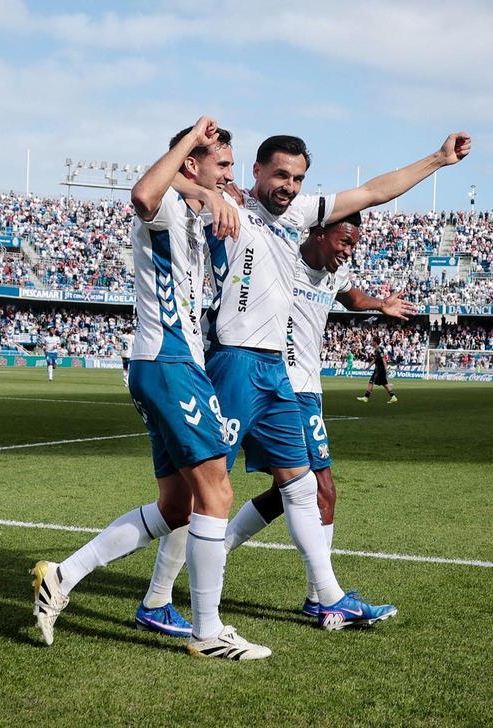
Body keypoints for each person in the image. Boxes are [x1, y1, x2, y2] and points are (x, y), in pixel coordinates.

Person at [192, 130, 470, 630]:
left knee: (296, 489)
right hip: (245, 367)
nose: (291, 186)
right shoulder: (254, 223)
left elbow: (372, 197)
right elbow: (163, 189)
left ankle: (320, 594)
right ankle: (170, 589)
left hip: (288, 383)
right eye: (281, 174)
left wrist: (437, 159)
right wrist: (209, 189)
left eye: (298, 178)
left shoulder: (309, 237)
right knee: (208, 489)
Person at [28, 117, 270, 660]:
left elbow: (196, 192)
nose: (230, 175)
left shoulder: (194, 206)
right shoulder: (165, 208)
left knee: (176, 506)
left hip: (165, 364)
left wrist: (208, 191)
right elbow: (142, 193)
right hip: (169, 362)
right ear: (192, 161)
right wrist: (191, 149)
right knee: (217, 492)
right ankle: (208, 632)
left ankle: (61, 577)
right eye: (222, 164)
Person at [150, 212, 417, 621]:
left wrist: (381, 304)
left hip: (301, 389)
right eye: (344, 242)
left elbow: (352, 298)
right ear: (319, 232)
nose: (348, 252)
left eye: (354, 245)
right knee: (223, 486)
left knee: (291, 490)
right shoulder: (280, 256)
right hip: (259, 378)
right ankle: (319, 598)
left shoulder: (335, 274)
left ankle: (228, 561)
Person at [357, 336, 397, 403]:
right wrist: (368, 367)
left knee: (371, 382)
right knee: (385, 384)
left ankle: (366, 398)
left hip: (379, 370)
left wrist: (386, 368)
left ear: (375, 342)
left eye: (372, 341)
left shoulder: (379, 349)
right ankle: (393, 397)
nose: (371, 342)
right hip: (379, 369)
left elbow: (383, 359)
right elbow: (375, 359)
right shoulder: (377, 350)